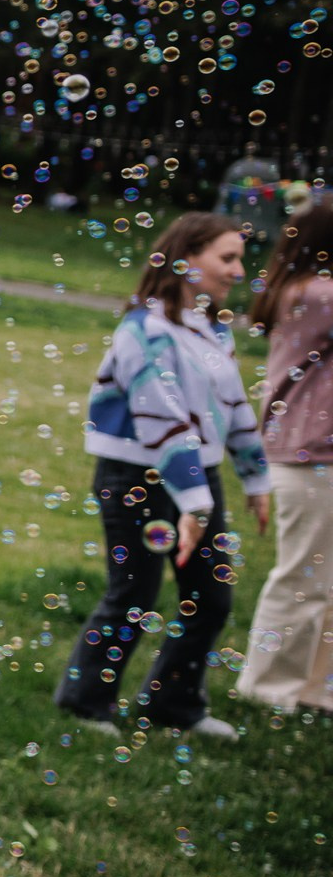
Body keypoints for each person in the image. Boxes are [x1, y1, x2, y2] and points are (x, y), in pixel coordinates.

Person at [57, 212, 268, 737]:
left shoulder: (210, 329)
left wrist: (255, 477)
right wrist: (195, 502)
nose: (239, 271)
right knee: (134, 593)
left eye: (240, 258)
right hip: (137, 476)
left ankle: (173, 703)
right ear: (185, 259)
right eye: (227, 258)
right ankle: (85, 703)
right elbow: (164, 423)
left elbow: (235, 406)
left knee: (213, 598)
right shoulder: (143, 332)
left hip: (199, 477)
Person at [244, 205, 333, 713]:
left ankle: (315, 689)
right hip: (309, 454)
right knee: (303, 579)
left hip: (314, 450)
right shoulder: (317, 294)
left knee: (325, 582)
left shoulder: (304, 290)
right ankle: (268, 689)